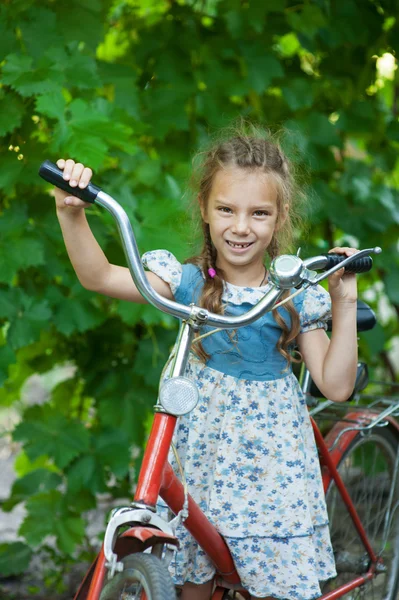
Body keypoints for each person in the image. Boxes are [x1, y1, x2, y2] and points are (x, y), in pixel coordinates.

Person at [53, 128, 358, 600]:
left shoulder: (291, 296)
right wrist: (70, 213)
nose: (241, 227)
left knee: (267, 586)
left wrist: (344, 299)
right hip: (200, 455)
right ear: (205, 210)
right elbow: (98, 276)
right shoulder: (188, 281)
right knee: (187, 572)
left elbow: (335, 386)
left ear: (279, 220)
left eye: (259, 213)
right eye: (226, 210)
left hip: (267, 470)